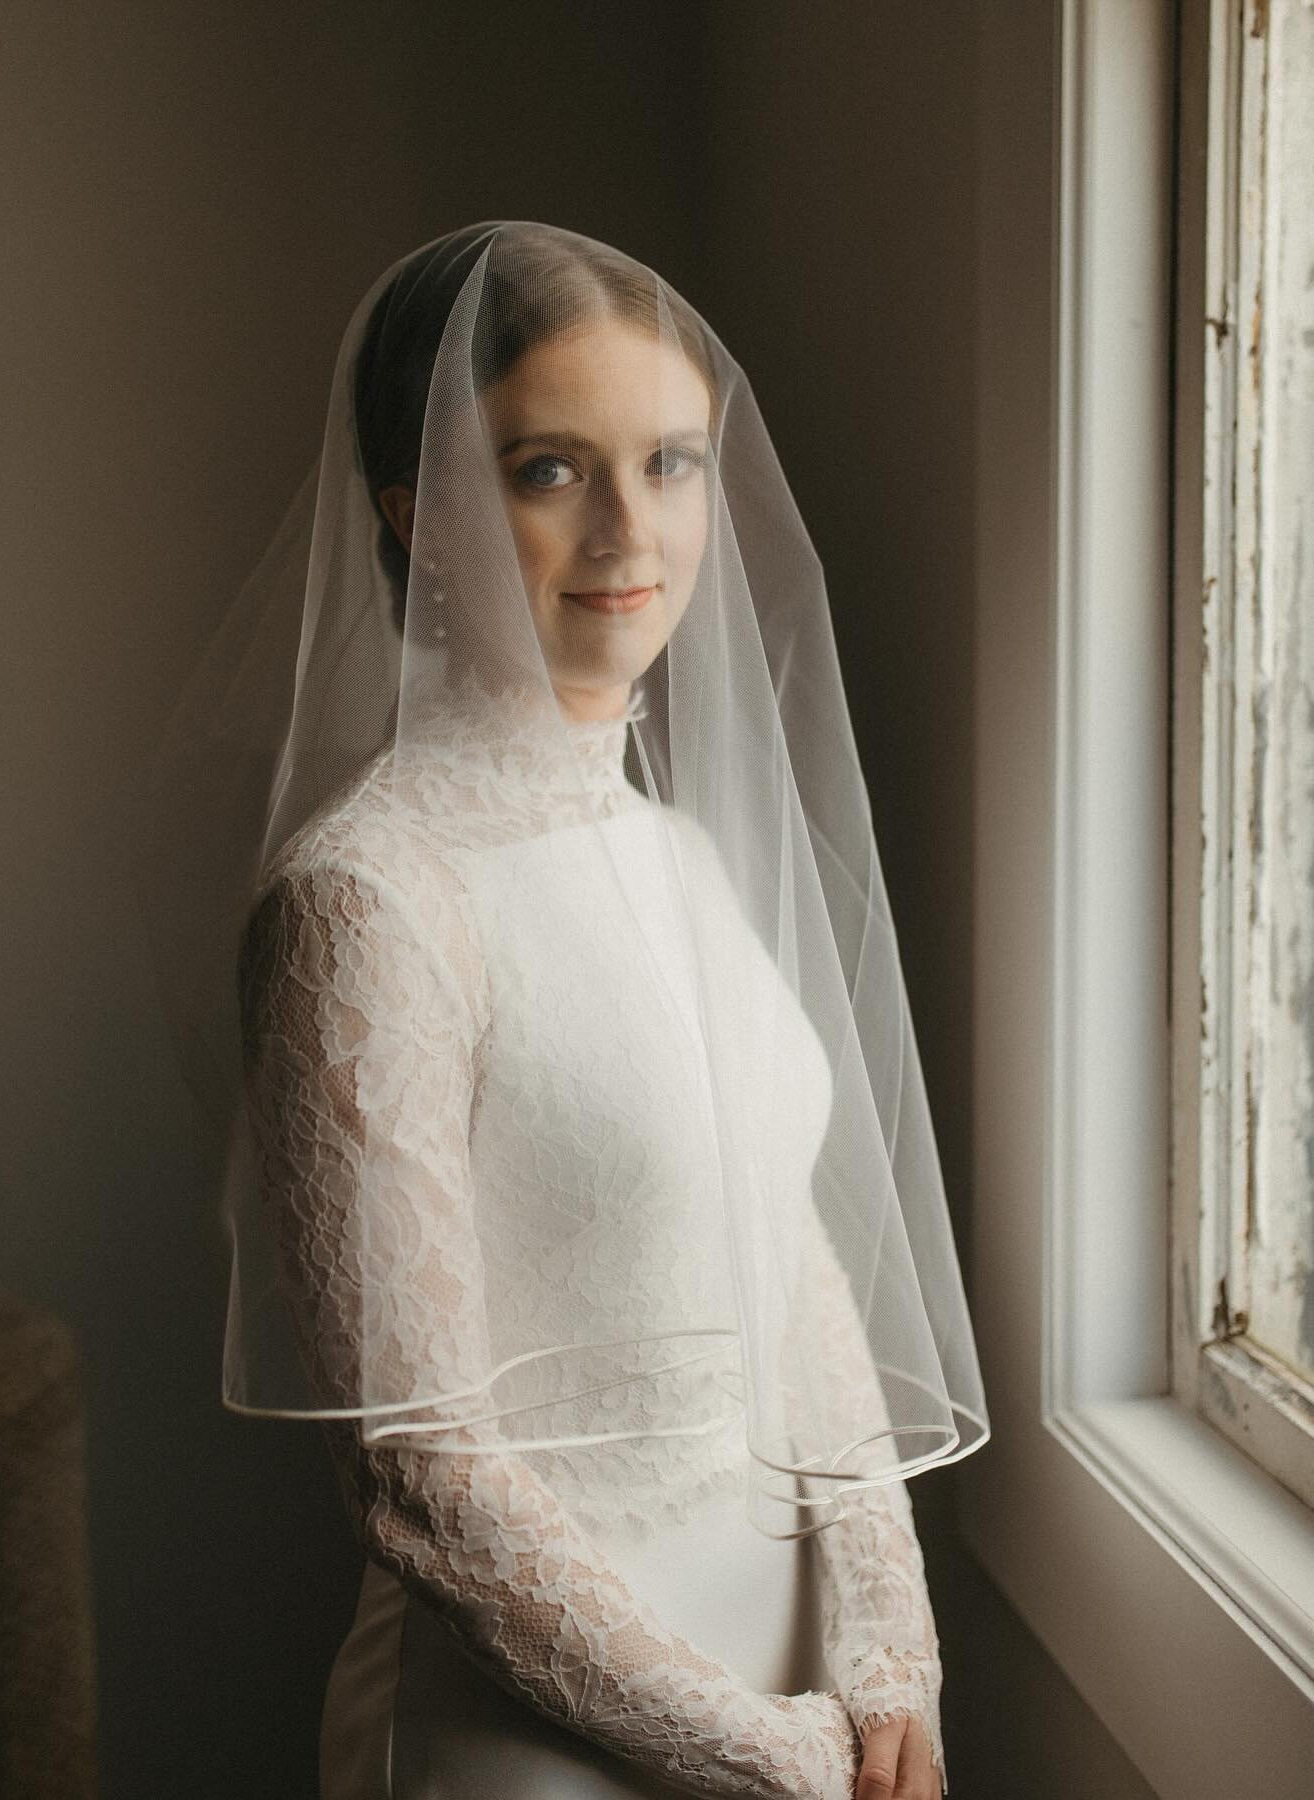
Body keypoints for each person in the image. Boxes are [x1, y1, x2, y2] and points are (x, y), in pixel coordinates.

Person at [142, 222, 988, 1799]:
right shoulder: (367, 900)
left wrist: (886, 1653)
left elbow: (790, 1266)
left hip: (808, 1694)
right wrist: (760, 1753)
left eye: (669, 463)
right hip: (530, 1744)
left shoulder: (673, 853)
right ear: (422, 517)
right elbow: (419, 1474)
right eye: (549, 470)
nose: (629, 529)